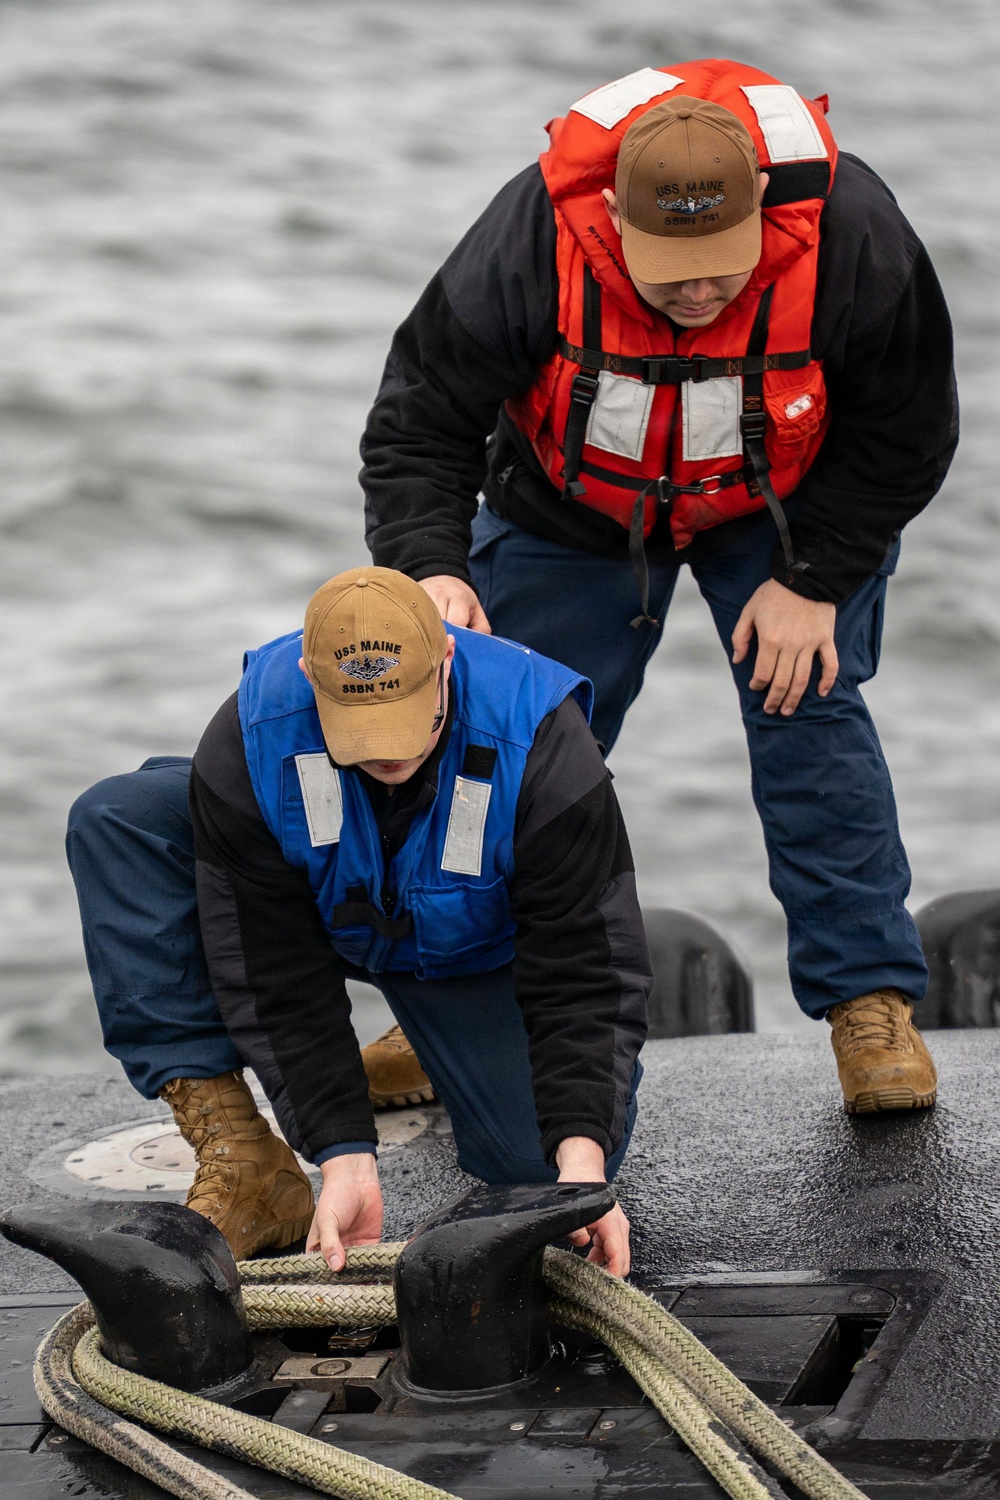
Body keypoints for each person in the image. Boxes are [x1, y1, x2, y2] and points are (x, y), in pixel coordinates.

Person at [360, 59, 956, 1114]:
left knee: (807, 708)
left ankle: (869, 1008)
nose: (697, 290)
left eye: (720, 265)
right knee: (497, 742)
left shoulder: (852, 232)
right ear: (612, 226)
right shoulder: (532, 236)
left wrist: (813, 578)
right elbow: (418, 416)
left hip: (783, 513)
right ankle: (447, 1004)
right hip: (572, 508)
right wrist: (433, 571)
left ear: (762, 215)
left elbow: (909, 424)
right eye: (669, 268)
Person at [66, 567, 648, 1273]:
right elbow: (273, 967)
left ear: (448, 659)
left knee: (539, 1177)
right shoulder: (252, 732)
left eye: (406, 716)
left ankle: (433, 1037)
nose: (387, 750)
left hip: (479, 949)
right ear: (312, 678)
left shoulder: (544, 738)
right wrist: (343, 1156)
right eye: (361, 726)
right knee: (119, 817)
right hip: (325, 909)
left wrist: (582, 1163)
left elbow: (586, 970)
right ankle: (249, 1163)